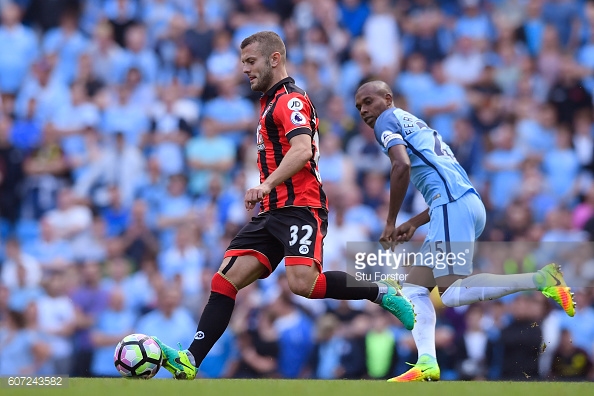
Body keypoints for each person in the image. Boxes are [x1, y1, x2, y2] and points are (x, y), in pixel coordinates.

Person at [151, 31, 415, 380]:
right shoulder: (268, 102)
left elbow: (302, 149)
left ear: (274, 59)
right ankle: (189, 360)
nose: (244, 69)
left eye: (250, 61)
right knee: (223, 282)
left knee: (302, 283)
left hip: (301, 207)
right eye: (242, 62)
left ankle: (381, 292)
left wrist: (265, 183)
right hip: (271, 211)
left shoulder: (291, 99)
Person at [353, 80, 576, 382]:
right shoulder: (415, 122)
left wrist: (391, 220)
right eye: (359, 107)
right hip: (464, 204)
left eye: (368, 101)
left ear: (388, 98)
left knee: (452, 292)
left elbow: (401, 165)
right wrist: (414, 223)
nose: (364, 110)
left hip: (452, 205)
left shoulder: (386, 120)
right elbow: (439, 179)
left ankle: (541, 278)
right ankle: (427, 361)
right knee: (415, 289)